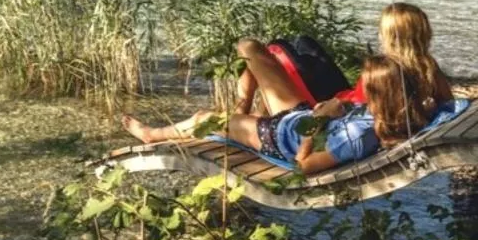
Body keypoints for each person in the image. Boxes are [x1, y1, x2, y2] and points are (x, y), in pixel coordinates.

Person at [121, 55, 430, 174]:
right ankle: (238, 115)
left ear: (380, 95)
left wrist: (321, 118)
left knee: (203, 118)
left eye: (367, 87)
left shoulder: (359, 136)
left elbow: (303, 165)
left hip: (277, 135)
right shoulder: (392, 115)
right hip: (298, 116)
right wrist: (338, 110)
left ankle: (153, 135)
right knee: (249, 49)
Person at [233, 2, 453, 115]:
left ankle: (239, 114)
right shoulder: (427, 68)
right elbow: (448, 103)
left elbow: (351, 110)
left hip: (325, 111)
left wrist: (323, 111)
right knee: (302, 44)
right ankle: (251, 113)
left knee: (254, 48)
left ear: (388, 36)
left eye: (381, 31)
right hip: (341, 97)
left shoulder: (383, 73)